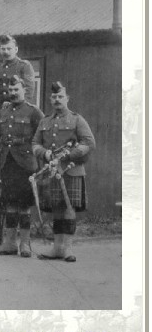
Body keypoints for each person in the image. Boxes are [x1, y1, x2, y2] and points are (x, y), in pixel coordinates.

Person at [33, 81, 96, 262]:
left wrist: (70, 155)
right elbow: (35, 143)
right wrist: (44, 153)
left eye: (60, 96)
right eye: (54, 97)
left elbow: (89, 143)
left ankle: (67, 248)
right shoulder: (45, 121)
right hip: (53, 171)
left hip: (71, 170)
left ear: (67, 99)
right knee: (57, 209)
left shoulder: (77, 119)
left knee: (69, 209)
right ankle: (57, 248)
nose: (57, 100)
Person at [0, 75, 43, 256]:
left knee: (25, 206)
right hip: (8, 163)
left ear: (24, 91)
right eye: (10, 90)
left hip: (26, 164)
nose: (13, 93)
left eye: (16, 90)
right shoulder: (3, 112)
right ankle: (10, 243)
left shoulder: (34, 112)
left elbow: (40, 139)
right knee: (10, 204)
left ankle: (25, 244)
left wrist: (39, 166)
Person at [0, 35, 36, 113]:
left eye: (9, 49)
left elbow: (29, 92)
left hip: (18, 111)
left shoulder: (24, 66)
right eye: (3, 49)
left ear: (16, 49)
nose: (6, 52)